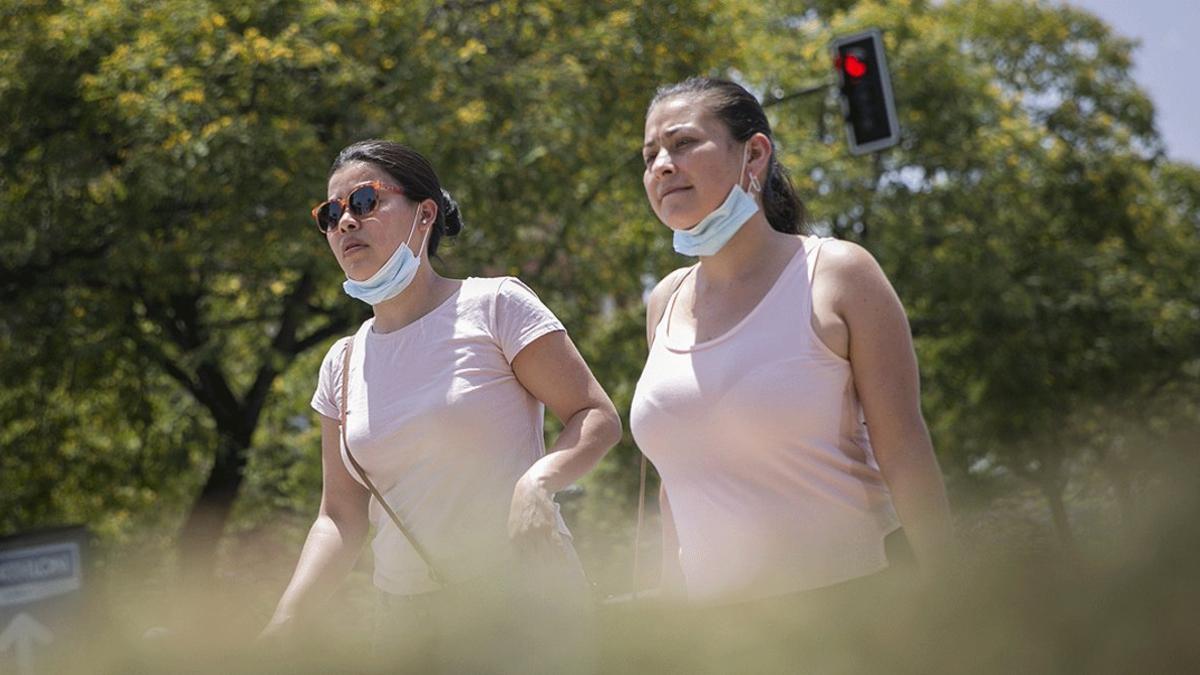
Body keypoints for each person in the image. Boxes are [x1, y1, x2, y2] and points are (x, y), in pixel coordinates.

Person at [261, 140, 620, 671]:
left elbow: (596, 417)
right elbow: (339, 516)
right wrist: (288, 616)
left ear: (424, 214)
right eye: (330, 214)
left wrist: (537, 483)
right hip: (403, 626)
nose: (345, 224)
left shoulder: (495, 305)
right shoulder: (341, 362)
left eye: (363, 202)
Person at [630, 77, 952, 612]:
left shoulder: (840, 273)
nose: (662, 165)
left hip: (852, 612)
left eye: (684, 143)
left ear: (753, 154)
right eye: (650, 155)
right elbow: (676, 485)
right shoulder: (663, 302)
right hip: (719, 636)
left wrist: (953, 596)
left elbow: (905, 449)